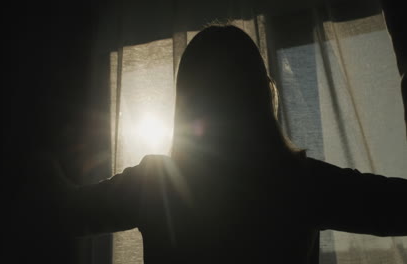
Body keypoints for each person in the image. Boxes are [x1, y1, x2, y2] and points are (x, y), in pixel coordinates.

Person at [45, 25, 406, 263]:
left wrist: (35, 154)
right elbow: (392, 206)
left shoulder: (155, 184)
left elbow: (68, 213)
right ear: (262, 95)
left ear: (186, 101)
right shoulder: (300, 183)